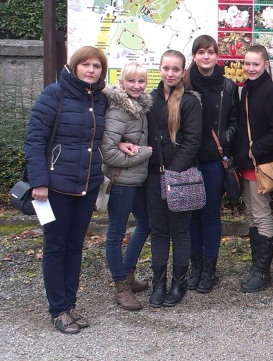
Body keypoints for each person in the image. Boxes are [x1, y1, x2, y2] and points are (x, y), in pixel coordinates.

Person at [25, 46, 108, 334]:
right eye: (85, 64)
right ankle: (58, 310)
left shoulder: (99, 99)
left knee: (75, 246)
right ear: (74, 66)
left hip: (86, 185)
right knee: (55, 246)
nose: (90, 70)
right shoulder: (54, 94)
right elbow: (34, 139)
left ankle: (70, 305)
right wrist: (38, 182)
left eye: (96, 66)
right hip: (55, 187)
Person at [145, 50, 203, 308]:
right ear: (159, 69)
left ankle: (179, 283)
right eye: (166, 68)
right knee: (158, 231)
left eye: (175, 69)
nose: (170, 74)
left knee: (179, 231)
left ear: (183, 72)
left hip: (179, 177)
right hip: (153, 176)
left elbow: (192, 142)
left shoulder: (189, 102)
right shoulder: (150, 99)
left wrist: (173, 173)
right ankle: (158, 283)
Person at [185, 35, 240, 294]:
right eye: (201, 52)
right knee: (191, 214)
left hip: (214, 160)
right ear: (194, 56)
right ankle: (194, 267)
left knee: (209, 213)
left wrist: (223, 141)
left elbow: (234, 122)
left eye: (210, 52)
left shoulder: (228, 86)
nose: (206, 56)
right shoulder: (184, 83)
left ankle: (209, 269)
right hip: (188, 159)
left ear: (217, 56)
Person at [233, 45, 273, 292]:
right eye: (247, 63)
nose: (250, 68)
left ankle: (263, 271)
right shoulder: (246, 89)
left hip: (261, 165)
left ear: (266, 64)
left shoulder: (271, 91)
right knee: (252, 215)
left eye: (255, 64)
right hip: (246, 164)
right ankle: (256, 266)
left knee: (262, 215)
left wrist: (257, 148)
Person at [101, 62, 153, 311]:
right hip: (121, 181)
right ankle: (120, 286)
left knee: (146, 224)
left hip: (137, 180)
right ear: (121, 82)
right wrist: (145, 153)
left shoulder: (139, 108)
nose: (136, 85)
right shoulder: (118, 111)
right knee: (115, 233)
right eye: (131, 81)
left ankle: (128, 273)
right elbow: (108, 153)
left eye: (141, 81)